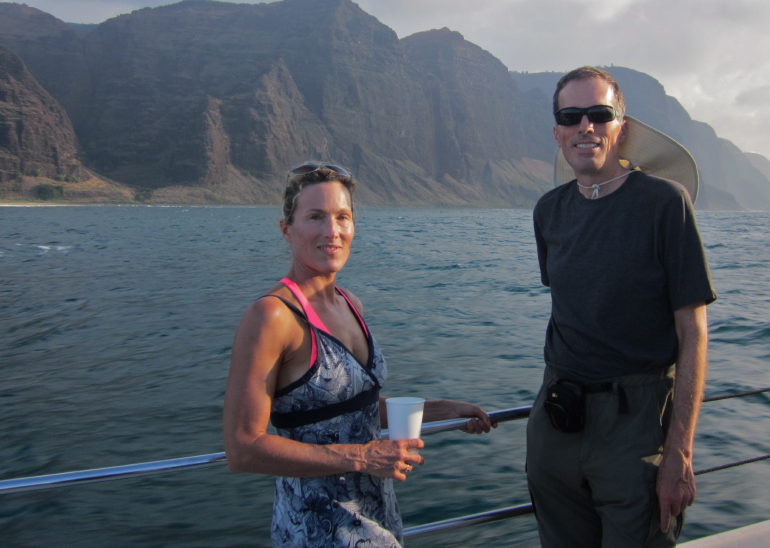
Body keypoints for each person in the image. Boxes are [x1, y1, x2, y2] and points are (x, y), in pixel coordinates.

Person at [223, 162, 495, 548]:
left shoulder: (351, 304)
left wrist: (445, 409)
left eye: (342, 217)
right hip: (317, 531)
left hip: (379, 520)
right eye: (315, 217)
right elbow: (243, 448)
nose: (331, 231)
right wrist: (362, 458)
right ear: (287, 228)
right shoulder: (271, 317)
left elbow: (350, 408)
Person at [526, 67, 717, 548]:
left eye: (599, 114)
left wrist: (679, 451)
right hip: (556, 420)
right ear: (558, 132)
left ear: (621, 127)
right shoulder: (548, 211)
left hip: (637, 430)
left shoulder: (664, 205)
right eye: (571, 116)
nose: (584, 126)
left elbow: (693, 333)